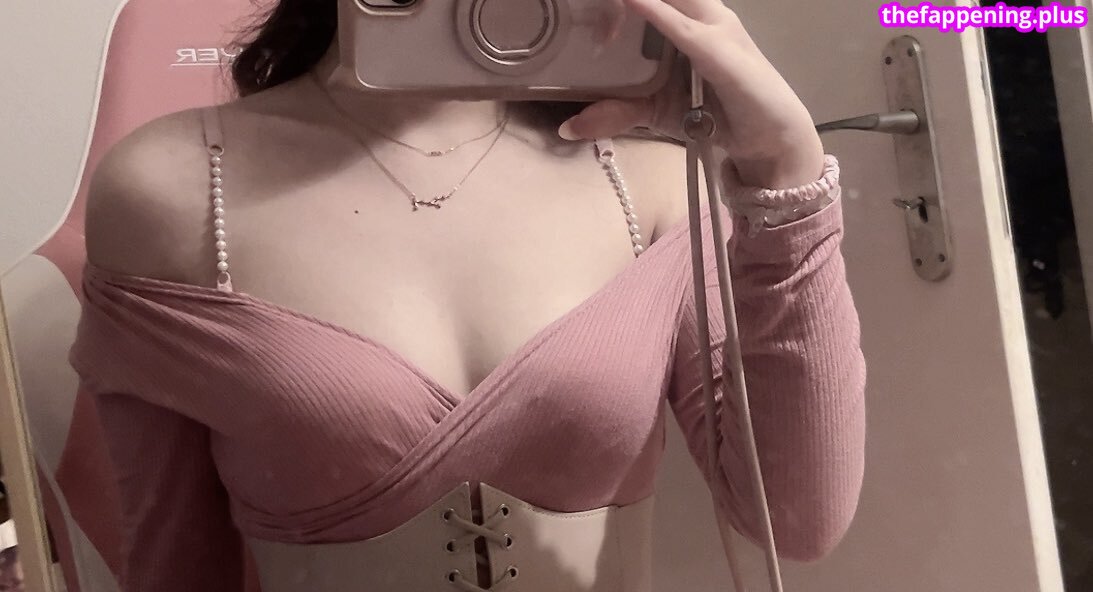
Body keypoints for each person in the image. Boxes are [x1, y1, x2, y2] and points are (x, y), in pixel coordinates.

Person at [68, 0, 867, 590]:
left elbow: (795, 522)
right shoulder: (175, 187)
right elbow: (178, 564)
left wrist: (783, 172)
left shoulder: (649, 182)